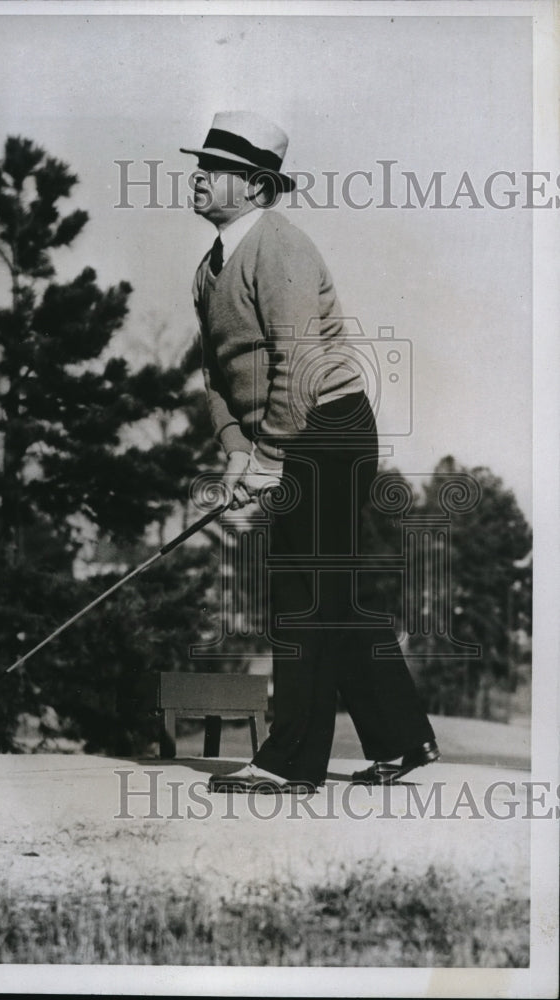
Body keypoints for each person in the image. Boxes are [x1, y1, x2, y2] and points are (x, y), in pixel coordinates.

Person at [181, 111, 439, 793]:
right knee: (331, 596)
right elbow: (215, 376)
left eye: (216, 168)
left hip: (326, 428)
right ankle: (399, 739)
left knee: (304, 596)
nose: (198, 176)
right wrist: (237, 450)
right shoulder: (208, 271)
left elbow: (293, 364)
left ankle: (287, 764)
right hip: (285, 435)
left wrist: (266, 457)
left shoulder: (280, 247)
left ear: (255, 183)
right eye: (199, 164)